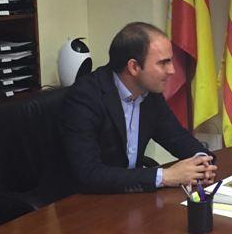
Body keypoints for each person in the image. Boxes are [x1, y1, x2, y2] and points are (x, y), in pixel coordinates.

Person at [60, 22, 217, 193]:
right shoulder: (85, 97)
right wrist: (165, 176)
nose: (172, 70)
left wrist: (202, 162)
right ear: (134, 67)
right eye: (163, 63)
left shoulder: (150, 94)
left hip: (130, 196)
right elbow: (89, 173)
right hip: (88, 200)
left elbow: (177, 138)